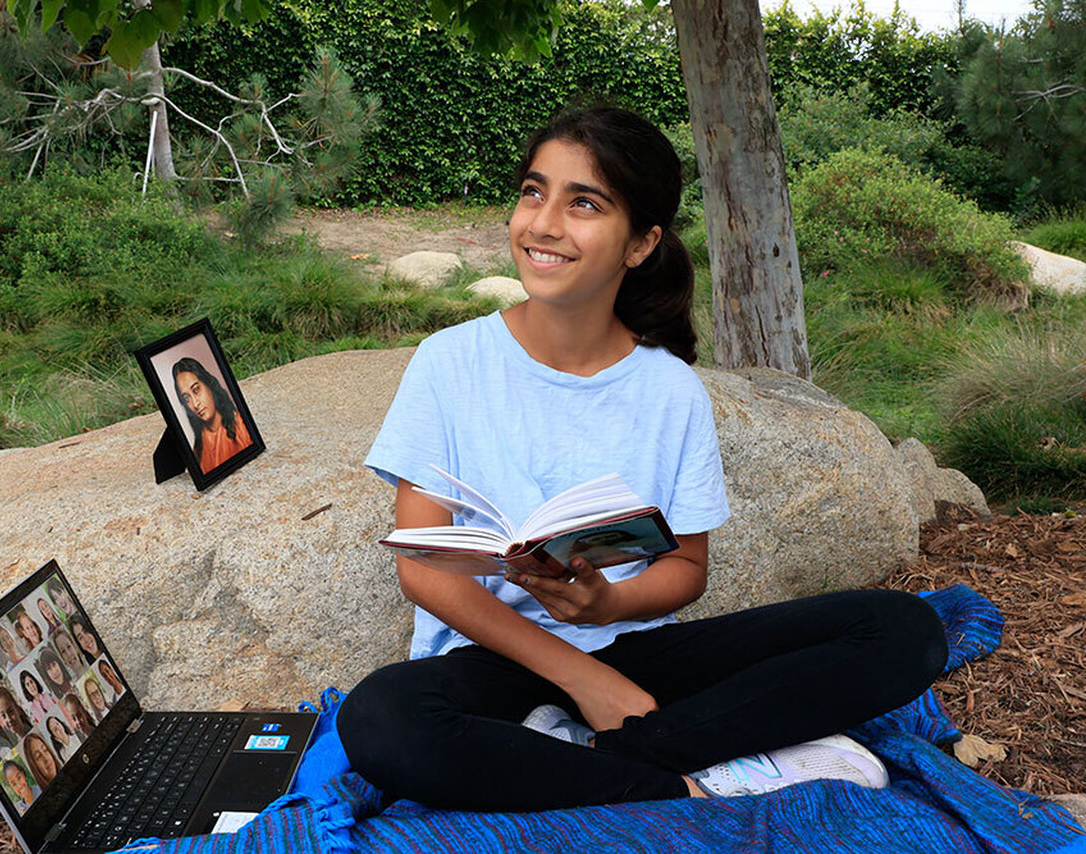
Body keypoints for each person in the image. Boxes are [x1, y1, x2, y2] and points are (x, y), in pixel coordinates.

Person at [336, 105, 948, 812]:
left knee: (904, 629)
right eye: (534, 192)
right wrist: (579, 677)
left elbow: (686, 569)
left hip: (634, 650)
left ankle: (588, 759)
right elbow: (422, 565)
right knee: (380, 719)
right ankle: (688, 778)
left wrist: (608, 603)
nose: (542, 223)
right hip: (493, 663)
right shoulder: (449, 362)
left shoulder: (669, 390)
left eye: (584, 204)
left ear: (640, 243)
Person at [171, 356, 252, 473]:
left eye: (196, 390)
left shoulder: (241, 425)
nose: (195, 403)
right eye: (186, 398)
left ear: (208, 385)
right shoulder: (199, 449)